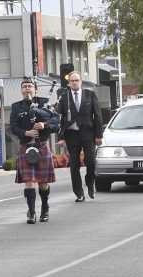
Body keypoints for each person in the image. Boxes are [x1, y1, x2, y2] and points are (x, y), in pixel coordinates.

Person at [10, 77, 61, 224]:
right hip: (26, 146)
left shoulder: (44, 103)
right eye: (24, 87)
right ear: (21, 90)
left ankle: (45, 208)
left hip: (42, 146)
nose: (27, 89)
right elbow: (13, 127)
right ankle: (31, 212)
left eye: (29, 86)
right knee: (29, 181)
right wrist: (26, 133)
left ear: (35, 90)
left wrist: (44, 124)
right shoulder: (16, 107)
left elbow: (56, 121)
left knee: (43, 183)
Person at [57, 71, 103, 202]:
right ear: (69, 83)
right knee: (75, 164)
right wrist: (60, 137)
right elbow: (60, 118)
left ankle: (90, 183)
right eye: (72, 81)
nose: (74, 83)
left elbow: (98, 116)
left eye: (76, 80)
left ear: (81, 81)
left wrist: (99, 135)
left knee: (91, 162)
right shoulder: (64, 97)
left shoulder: (90, 94)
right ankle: (79, 193)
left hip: (88, 134)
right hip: (72, 135)